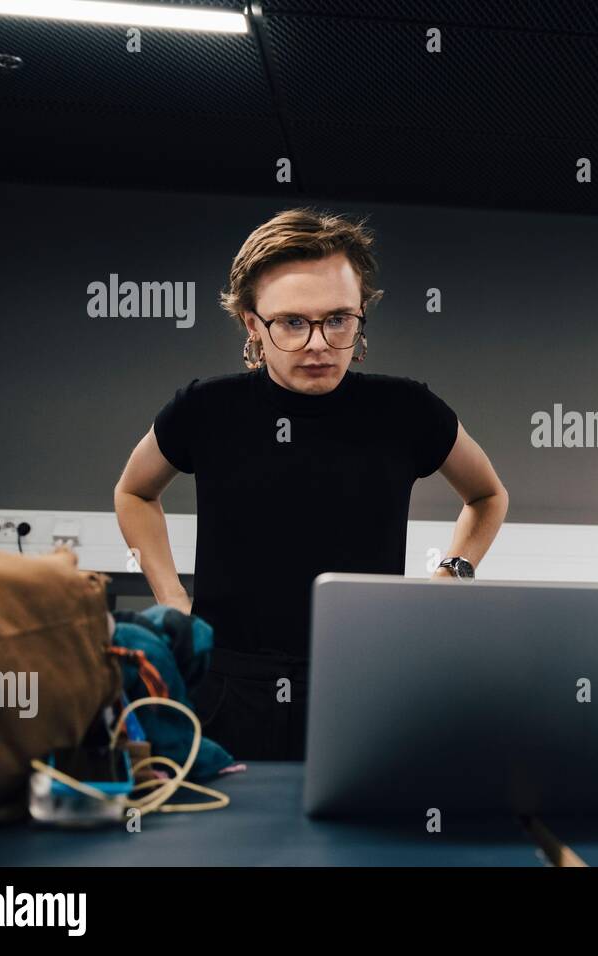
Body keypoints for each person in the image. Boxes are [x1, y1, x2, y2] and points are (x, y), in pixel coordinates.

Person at [114, 208, 509, 760]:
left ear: (361, 315)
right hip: (228, 685)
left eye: (339, 320)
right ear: (253, 324)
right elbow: (133, 492)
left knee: (359, 842)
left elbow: (488, 496)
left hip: (364, 680)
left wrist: (453, 571)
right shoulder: (206, 407)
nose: (319, 344)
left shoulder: (407, 409)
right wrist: (173, 599)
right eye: (292, 323)